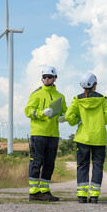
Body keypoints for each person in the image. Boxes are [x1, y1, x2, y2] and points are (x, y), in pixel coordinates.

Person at [65, 72, 107, 204]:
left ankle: (81, 195)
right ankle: (94, 195)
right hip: (99, 138)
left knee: (82, 165)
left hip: (82, 139)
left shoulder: (77, 99)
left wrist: (77, 120)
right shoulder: (103, 99)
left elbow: (69, 117)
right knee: (97, 166)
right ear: (94, 85)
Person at [25, 66, 67, 202]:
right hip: (38, 133)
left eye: (49, 77)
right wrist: (42, 113)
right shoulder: (36, 94)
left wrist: (63, 117)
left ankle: (44, 190)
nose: (47, 79)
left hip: (53, 134)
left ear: (55, 78)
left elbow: (65, 111)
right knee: (36, 161)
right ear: (42, 79)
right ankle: (34, 191)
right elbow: (28, 111)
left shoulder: (60, 96)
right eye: (44, 77)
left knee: (49, 162)